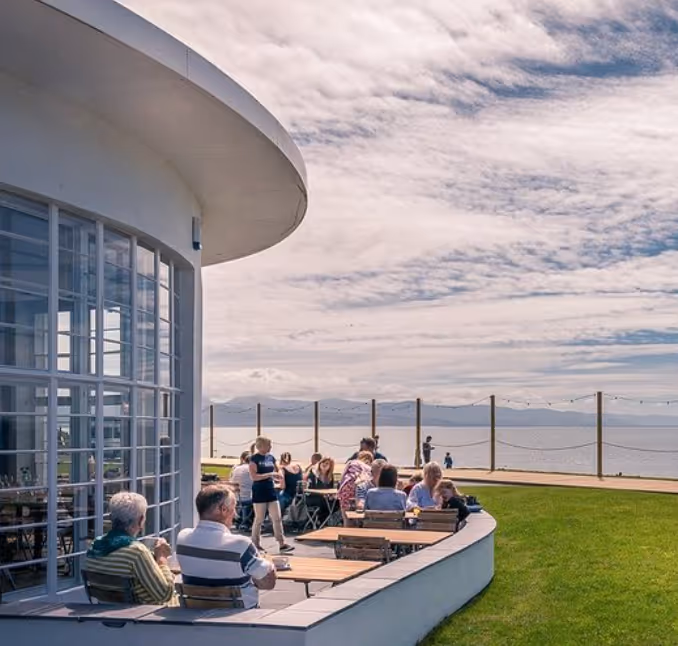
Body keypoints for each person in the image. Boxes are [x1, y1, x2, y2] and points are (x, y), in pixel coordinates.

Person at [177, 485, 276, 609]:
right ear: (223, 510)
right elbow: (268, 583)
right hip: (237, 616)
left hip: (194, 610)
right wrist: (270, 562)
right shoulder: (241, 545)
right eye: (233, 508)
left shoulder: (182, 538)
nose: (235, 514)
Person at [83, 492, 174, 605]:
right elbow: (165, 594)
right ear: (141, 521)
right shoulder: (137, 553)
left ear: (111, 518)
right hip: (141, 617)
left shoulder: (95, 545)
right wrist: (162, 559)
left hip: (106, 612)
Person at [249, 436, 294, 553]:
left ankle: (282, 543)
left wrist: (279, 475)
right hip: (259, 491)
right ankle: (255, 543)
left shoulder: (271, 457)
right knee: (259, 519)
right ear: (261, 446)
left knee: (277, 517)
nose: (270, 447)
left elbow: (277, 469)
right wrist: (269, 475)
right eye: (268, 445)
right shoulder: (254, 459)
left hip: (271, 490)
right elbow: (254, 476)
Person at [337, 450, 373, 525]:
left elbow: (342, 478)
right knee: (359, 519)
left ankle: (346, 534)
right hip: (358, 493)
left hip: (345, 491)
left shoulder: (351, 464)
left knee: (346, 519)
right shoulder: (367, 468)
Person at [306, 456, 336, 524]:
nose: (324, 464)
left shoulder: (330, 476)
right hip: (312, 498)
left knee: (336, 502)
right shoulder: (313, 474)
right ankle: (322, 522)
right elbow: (308, 490)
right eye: (323, 462)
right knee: (324, 502)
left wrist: (331, 496)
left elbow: (330, 489)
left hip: (324, 498)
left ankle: (325, 521)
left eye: (327, 463)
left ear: (330, 466)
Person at [230, 451, 253, 529]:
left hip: (236, 497)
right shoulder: (251, 469)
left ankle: (243, 520)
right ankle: (250, 521)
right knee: (266, 501)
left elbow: (231, 481)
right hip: (248, 499)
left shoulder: (236, 468)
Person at [278, 452, 303, 517]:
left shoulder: (282, 470)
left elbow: (283, 486)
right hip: (300, 496)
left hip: (289, 495)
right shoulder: (298, 467)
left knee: (274, 499)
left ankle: (274, 520)